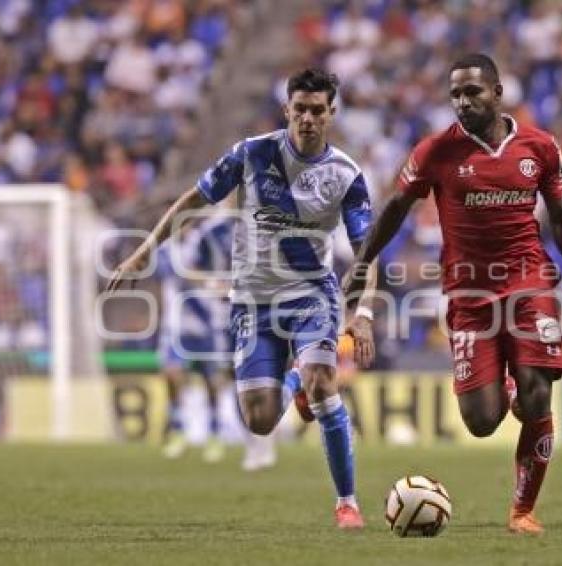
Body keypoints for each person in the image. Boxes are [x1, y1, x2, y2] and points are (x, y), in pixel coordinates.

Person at [108, 68, 377, 529]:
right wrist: (143, 253)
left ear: (331, 113)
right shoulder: (252, 154)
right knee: (259, 420)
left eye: (318, 110)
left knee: (323, 382)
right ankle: (294, 385)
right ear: (286, 110)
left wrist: (364, 311)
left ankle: (347, 503)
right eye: (300, 110)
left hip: (312, 295)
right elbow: (192, 201)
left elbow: (366, 252)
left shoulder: (346, 176)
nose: (308, 118)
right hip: (252, 302)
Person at [343, 53, 562, 535]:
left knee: (538, 395)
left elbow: (561, 216)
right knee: (481, 422)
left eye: (472, 91)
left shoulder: (539, 147)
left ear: (498, 92)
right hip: (468, 294)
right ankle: (504, 384)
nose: (462, 101)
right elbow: (396, 208)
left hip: (528, 281)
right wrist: (363, 260)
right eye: (455, 94)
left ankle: (523, 511)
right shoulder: (436, 151)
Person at [157, 213, 277, 470]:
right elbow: (181, 275)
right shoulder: (167, 250)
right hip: (175, 324)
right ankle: (178, 429)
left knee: (213, 381)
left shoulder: (200, 242)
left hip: (206, 322)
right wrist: (213, 282)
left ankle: (214, 433)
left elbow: (207, 271)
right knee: (172, 374)